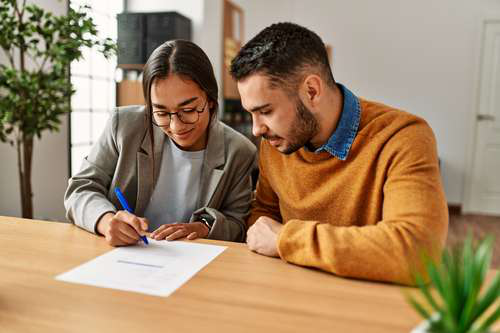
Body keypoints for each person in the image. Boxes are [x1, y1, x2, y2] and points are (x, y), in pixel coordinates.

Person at [229, 22, 448, 285]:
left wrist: (286, 241)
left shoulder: (402, 137)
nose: (256, 129)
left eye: (265, 111)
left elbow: (418, 251)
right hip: (291, 294)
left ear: (311, 91)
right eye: (250, 113)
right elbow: (264, 215)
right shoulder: (276, 141)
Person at [65, 40, 257, 246]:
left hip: (194, 263)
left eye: (189, 110)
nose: (175, 126)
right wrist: (106, 221)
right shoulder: (124, 126)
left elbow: (238, 223)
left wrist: (205, 227)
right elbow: (80, 189)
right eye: (162, 112)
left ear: (210, 100)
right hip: (126, 255)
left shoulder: (239, 151)